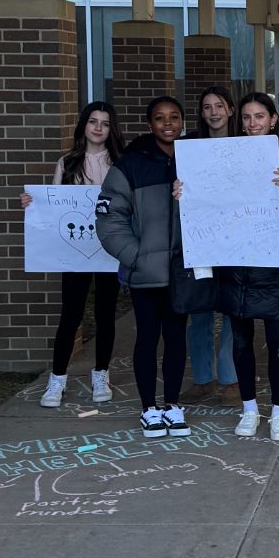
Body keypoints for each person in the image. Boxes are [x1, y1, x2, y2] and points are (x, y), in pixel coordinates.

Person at [95, 96, 194, 439]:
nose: (168, 124)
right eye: (160, 118)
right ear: (149, 124)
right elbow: (109, 219)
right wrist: (135, 256)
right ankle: (149, 408)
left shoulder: (194, 161)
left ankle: (172, 405)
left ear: (182, 122)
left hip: (180, 271)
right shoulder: (130, 165)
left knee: (176, 339)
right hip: (146, 273)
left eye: (174, 117)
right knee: (148, 338)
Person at [212, 93, 279, 443]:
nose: (253, 123)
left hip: (272, 262)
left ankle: (278, 412)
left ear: (273, 119)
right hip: (235, 264)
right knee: (240, 341)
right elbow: (212, 205)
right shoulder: (226, 154)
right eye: (248, 117)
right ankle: (249, 409)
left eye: (260, 116)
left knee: (278, 342)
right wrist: (185, 192)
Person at [27, 101, 124, 409]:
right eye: (93, 121)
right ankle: (57, 379)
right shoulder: (68, 163)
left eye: (105, 123)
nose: (98, 128)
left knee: (105, 314)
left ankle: (101, 374)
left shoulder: (120, 163)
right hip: (75, 250)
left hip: (109, 249)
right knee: (70, 314)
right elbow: (54, 206)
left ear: (111, 129)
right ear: (84, 124)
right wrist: (33, 203)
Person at [186, 84, 241, 403]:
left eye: (219, 106)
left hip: (238, 237)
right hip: (202, 239)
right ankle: (203, 377)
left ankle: (230, 378)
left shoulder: (246, 146)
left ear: (230, 110)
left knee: (234, 308)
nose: (214, 112)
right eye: (207, 107)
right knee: (200, 308)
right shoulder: (190, 147)